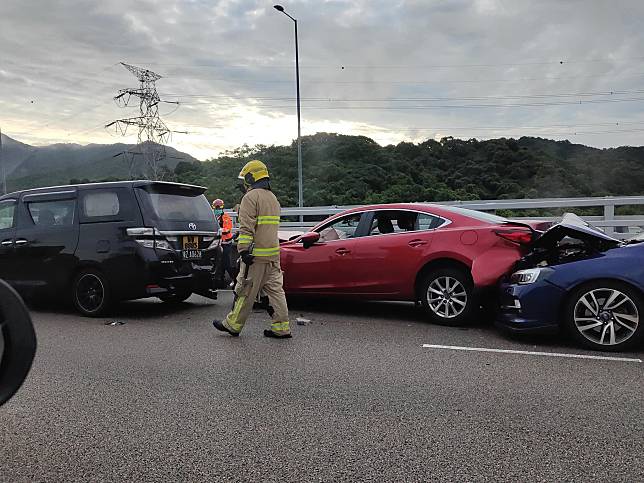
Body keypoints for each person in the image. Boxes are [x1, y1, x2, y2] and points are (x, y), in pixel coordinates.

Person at [212, 160, 292, 339]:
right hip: (272, 254)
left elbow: (247, 228)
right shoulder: (273, 198)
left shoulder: (250, 198)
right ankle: (281, 327)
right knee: (276, 291)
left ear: (251, 177)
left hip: (254, 256)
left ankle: (233, 324)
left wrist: (243, 250)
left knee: (244, 290)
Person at [212, 198, 236, 286]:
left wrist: (219, 230)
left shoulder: (225, 217)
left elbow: (227, 229)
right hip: (218, 243)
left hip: (226, 243)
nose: (217, 210)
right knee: (219, 262)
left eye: (219, 208)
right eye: (216, 208)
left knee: (226, 262)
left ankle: (234, 279)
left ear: (222, 208)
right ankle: (221, 281)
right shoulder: (213, 217)